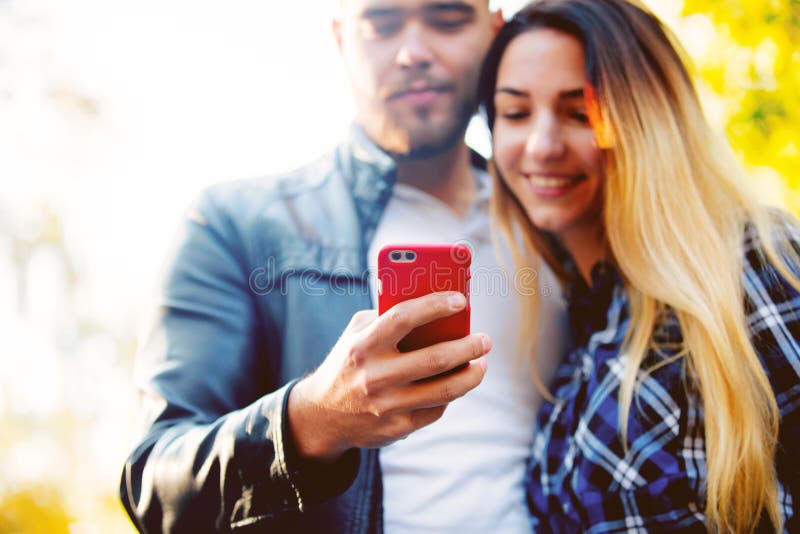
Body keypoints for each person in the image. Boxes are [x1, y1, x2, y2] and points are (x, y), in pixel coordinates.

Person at [120, 1, 567, 532]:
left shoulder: (559, 219)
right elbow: (152, 483)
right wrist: (312, 421)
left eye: (447, 20)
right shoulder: (235, 226)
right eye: (381, 24)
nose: (413, 53)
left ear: (494, 33)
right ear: (341, 39)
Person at [478, 0, 800, 531]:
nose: (541, 145)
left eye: (580, 113)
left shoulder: (754, 265)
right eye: (514, 113)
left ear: (649, 120)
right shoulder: (574, 327)